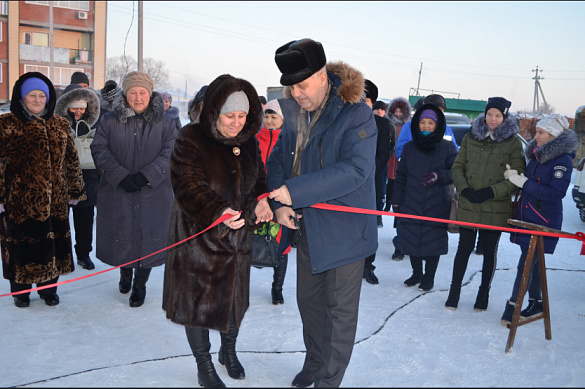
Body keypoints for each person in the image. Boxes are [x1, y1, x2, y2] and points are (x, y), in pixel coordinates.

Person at [268, 38, 378, 388]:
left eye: (302, 85)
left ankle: (328, 381)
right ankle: (314, 363)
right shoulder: (293, 113)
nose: (297, 94)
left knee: (338, 314)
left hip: (345, 233)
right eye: (291, 87)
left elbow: (354, 170)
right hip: (306, 229)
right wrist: (278, 203)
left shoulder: (354, 111)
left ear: (321, 76)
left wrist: (294, 192)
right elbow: (276, 161)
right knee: (310, 307)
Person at [162, 74, 271, 388]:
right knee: (196, 305)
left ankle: (229, 351)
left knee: (234, 301)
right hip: (197, 238)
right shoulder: (190, 138)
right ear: (213, 113)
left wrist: (261, 201)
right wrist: (218, 210)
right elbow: (187, 184)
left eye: (242, 116)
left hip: (237, 239)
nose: (237, 123)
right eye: (230, 116)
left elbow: (258, 181)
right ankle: (204, 365)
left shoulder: (248, 142)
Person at [0, 72, 86, 307]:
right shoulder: (6, 124)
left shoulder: (59, 124)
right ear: (21, 97)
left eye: (42, 96)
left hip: (55, 201)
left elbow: (71, 161)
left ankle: (48, 290)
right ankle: (20, 292)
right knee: (21, 249)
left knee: (52, 246)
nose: (37, 100)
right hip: (19, 202)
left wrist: (75, 190)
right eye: (32, 95)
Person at [91, 71, 176, 308]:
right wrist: (120, 176)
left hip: (153, 193)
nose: (138, 98)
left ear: (150, 94)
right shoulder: (109, 120)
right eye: (132, 93)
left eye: (142, 93)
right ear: (125, 94)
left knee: (149, 238)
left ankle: (140, 284)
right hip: (119, 191)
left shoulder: (166, 123)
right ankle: (125, 271)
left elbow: (171, 152)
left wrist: (146, 176)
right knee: (124, 234)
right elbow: (99, 149)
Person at [445, 97, 526, 311]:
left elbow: (517, 177)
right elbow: (457, 166)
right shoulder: (472, 137)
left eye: (498, 115)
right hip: (469, 203)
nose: (493, 119)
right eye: (490, 114)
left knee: (489, 251)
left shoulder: (513, 142)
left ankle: (483, 294)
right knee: (463, 249)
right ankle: (454, 293)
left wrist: (492, 191)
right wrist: (465, 189)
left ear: (505, 117)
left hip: (495, 206)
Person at [500, 114, 577, 324]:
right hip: (529, 216)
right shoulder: (538, 154)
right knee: (532, 263)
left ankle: (512, 309)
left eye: (541, 132)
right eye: (537, 131)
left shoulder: (562, 160)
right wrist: (518, 175)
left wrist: (523, 183)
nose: (536, 136)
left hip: (543, 221)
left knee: (525, 263)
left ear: (553, 135)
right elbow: (532, 180)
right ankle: (536, 303)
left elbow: (555, 193)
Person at [391, 104, 457, 291]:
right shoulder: (410, 147)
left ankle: (429, 277)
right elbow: (401, 175)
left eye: (430, 123)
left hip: (436, 202)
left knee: (433, 241)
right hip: (411, 199)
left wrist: (439, 176)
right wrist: (396, 200)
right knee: (411, 238)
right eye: (423, 122)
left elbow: (456, 172)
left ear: (437, 125)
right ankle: (416, 273)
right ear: (417, 124)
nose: (426, 126)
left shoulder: (447, 147)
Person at [55, 83, 101, 271]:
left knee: (85, 222)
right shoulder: (56, 123)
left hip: (88, 181)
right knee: (60, 224)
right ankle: (61, 256)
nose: (77, 112)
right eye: (74, 107)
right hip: (62, 182)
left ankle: (83, 254)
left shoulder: (96, 123)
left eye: (81, 107)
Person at [255, 99, 292, 304]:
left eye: (273, 117)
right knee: (250, 240)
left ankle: (277, 287)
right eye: (266, 117)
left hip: (279, 201)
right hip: (257, 200)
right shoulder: (254, 139)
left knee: (281, 245)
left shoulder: (288, 141)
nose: (269, 121)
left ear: (282, 120)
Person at [362, 79, 394, 285]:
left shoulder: (383, 125)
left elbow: (383, 155)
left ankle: (367, 266)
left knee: (369, 228)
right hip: (344, 186)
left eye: (364, 100)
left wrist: (361, 173)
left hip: (371, 183)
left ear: (372, 102)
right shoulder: (343, 122)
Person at [383, 96, 412, 215]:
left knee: (399, 181)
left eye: (400, 111)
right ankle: (388, 202)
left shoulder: (407, 125)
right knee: (390, 180)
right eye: (396, 111)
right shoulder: (389, 123)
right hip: (391, 156)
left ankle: (396, 203)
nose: (398, 114)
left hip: (402, 156)